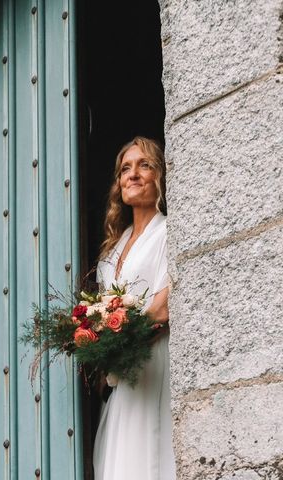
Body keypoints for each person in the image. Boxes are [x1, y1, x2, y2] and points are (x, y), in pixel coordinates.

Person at [92, 137, 176, 480]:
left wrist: (116, 344)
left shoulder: (169, 231)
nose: (134, 174)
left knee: (146, 459)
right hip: (121, 374)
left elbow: (162, 307)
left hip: (152, 359)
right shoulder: (113, 248)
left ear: (160, 176)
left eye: (145, 165)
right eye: (126, 168)